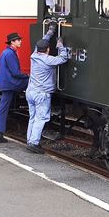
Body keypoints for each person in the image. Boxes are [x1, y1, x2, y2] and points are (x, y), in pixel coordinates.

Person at [24, 25, 69, 153]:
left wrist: (49, 32)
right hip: (41, 94)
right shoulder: (48, 60)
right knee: (41, 118)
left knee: (32, 117)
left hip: (30, 91)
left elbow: (42, 41)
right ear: (48, 50)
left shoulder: (34, 55)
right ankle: (33, 143)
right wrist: (60, 45)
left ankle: (30, 140)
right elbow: (63, 58)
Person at [0, 32, 28, 144]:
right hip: (11, 83)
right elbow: (15, 72)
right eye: (18, 40)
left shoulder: (5, 52)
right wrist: (27, 75)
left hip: (6, 83)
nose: (20, 41)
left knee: (3, 108)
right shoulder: (10, 54)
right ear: (12, 42)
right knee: (31, 83)